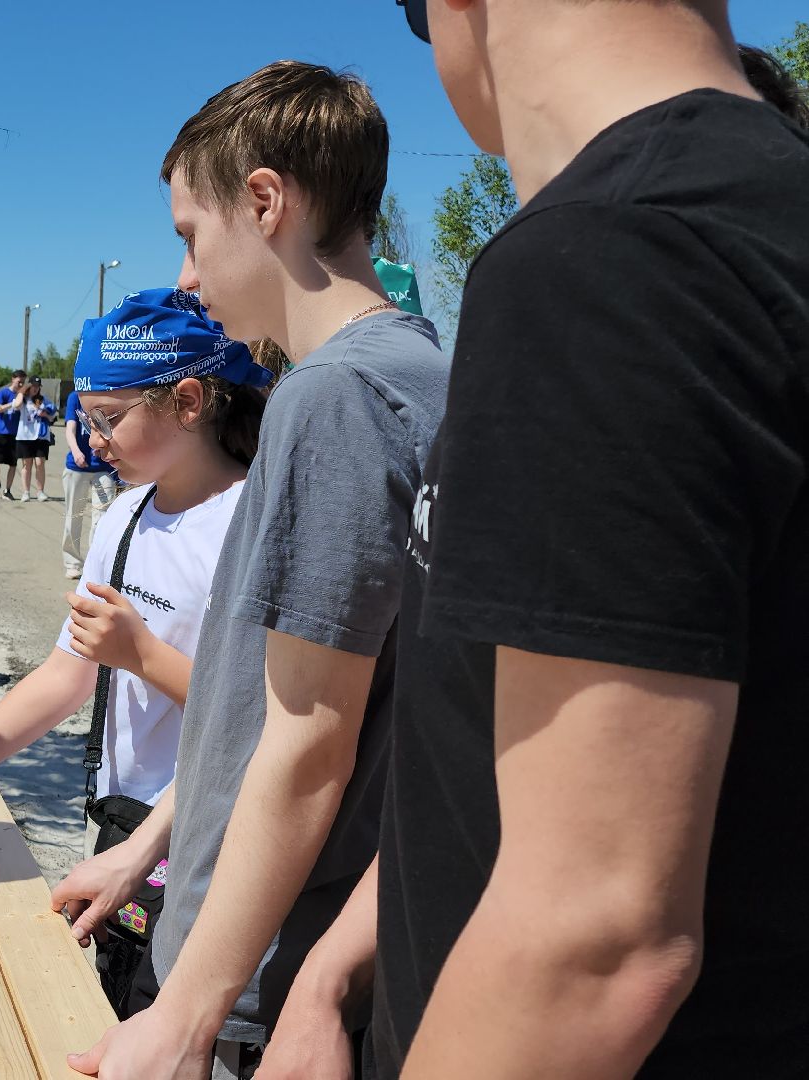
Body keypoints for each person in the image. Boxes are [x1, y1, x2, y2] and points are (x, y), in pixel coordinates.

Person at [272, 5, 809, 1079]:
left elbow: (598, 944)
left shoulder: (612, 251)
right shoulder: (751, 206)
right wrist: (334, 969)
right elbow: (494, 748)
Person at [54, 63, 448, 1080]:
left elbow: (311, 741)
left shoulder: (333, 399)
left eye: (190, 233)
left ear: (266, 202)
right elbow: (263, 703)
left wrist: (185, 1011)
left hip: (264, 975)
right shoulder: (427, 376)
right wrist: (141, 853)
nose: (185, 275)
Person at [0, 289, 270, 1019]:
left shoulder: (249, 522)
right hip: (121, 820)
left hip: (208, 832)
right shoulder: (123, 515)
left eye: (110, 419)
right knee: (117, 1005)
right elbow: (66, 675)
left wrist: (142, 655)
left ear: (187, 401)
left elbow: (265, 718)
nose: (94, 441)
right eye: (87, 420)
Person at [61, 385, 119, 579]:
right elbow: (70, 429)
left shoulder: (106, 395)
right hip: (78, 465)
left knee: (102, 516)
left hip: (103, 467)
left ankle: (95, 564)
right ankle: (73, 562)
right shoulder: (74, 397)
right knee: (73, 515)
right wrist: (77, 451)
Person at [0, 370, 28, 498]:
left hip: (15, 434)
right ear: (13, 379)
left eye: (23, 382)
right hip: (0, 432)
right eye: (19, 381)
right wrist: (13, 403)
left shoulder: (23, 396)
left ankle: (7, 490)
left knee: (13, 463)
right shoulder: (4, 392)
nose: (21, 384)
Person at [15, 377, 56, 502]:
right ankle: (26, 492)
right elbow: (16, 405)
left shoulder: (43, 400)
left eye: (38, 386)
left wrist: (46, 414)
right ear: (29, 386)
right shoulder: (23, 399)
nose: (35, 388)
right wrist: (22, 392)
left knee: (40, 463)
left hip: (41, 436)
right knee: (27, 464)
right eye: (33, 386)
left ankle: (40, 491)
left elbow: (52, 416)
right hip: (25, 436)